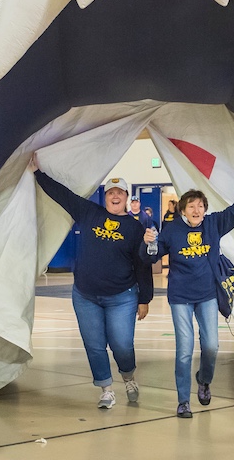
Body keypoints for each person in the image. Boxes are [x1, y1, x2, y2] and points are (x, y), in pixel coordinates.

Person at [143, 161, 234, 418]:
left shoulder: (214, 224)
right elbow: (152, 257)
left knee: (212, 346)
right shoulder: (171, 230)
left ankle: (204, 380)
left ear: (205, 210)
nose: (196, 210)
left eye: (201, 206)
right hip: (180, 297)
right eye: (191, 206)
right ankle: (183, 401)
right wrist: (149, 244)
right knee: (184, 350)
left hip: (206, 295)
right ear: (183, 210)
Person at [30, 154, 153, 409]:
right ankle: (106, 389)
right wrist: (37, 173)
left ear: (127, 198)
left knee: (121, 345)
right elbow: (63, 195)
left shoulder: (134, 228)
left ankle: (128, 376)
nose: (114, 197)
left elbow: (142, 265)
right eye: (110, 193)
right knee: (95, 346)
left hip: (122, 296)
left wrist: (145, 299)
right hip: (85, 296)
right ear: (105, 196)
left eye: (120, 193)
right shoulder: (88, 213)